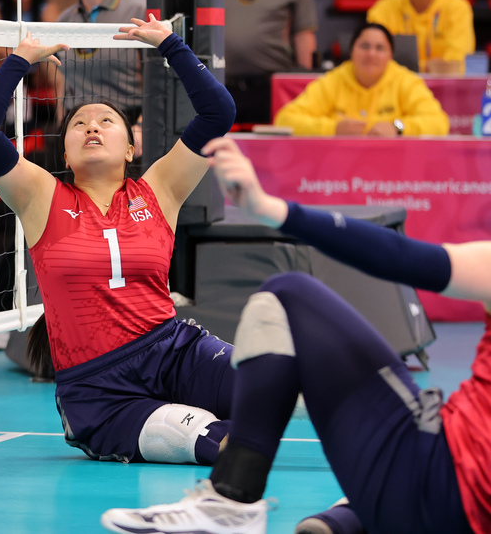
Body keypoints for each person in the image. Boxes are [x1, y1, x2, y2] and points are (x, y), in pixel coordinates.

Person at [99, 134, 487, 533]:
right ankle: (348, 515)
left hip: (430, 475)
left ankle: (236, 499)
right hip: (441, 496)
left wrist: (272, 210)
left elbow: (399, 256)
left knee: (287, 297)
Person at [0, 15, 237, 466]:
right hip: (99, 390)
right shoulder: (40, 196)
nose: (92, 126)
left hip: (173, 351)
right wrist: (21, 61)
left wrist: (170, 44)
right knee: (215, 441)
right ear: (65, 153)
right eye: (79, 123)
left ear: (131, 148)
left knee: (279, 379)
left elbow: (218, 113)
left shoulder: (160, 189)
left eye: (107, 120)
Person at [274, 22, 449, 137]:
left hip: (394, 167)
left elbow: (439, 123)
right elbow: (284, 119)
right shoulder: (333, 81)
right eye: (364, 46)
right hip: (337, 168)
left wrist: (398, 127)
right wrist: (333, 129)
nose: (371, 54)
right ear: (352, 52)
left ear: (391, 55)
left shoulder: (406, 81)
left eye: (380, 48)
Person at [52, 0, 146, 125]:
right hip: (77, 122)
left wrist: (142, 125)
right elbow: (64, 82)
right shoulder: (65, 20)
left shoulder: (137, 12)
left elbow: (157, 78)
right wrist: (61, 129)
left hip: (128, 121)